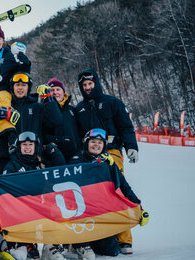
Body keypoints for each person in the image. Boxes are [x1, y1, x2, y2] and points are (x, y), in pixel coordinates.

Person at [74, 69, 139, 253]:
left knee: (116, 191)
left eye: (90, 84)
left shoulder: (112, 102)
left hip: (111, 151)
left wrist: (131, 146)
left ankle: (124, 239)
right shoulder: (80, 108)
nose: (87, 88)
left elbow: (126, 126)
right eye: (84, 85)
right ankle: (99, 236)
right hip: (89, 155)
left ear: (97, 83)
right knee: (93, 195)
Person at [68, 128, 149, 259]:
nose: (96, 145)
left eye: (100, 143)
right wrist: (97, 163)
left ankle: (89, 242)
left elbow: (124, 187)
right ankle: (78, 243)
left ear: (104, 146)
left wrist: (139, 207)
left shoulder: (109, 162)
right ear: (86, 143)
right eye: (93, 141)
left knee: (113, 251)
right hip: (81, 212)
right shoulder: (77, 159)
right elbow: (81, 176)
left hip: (100, 214)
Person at [0, 132, 65, 260]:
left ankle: (50, 246)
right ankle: (7, 241)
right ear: (19, 147)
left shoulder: (40, 164)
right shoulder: (12, 165)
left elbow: (60, 170)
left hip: (38, 208)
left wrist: (54, 151)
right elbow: (4, 192)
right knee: (21, 256)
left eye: (30, 144)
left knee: (57, 207)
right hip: (17, 211)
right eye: (24, 144)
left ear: (35, 147)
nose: (27, 147)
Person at [0, 72, 63, 167]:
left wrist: (48, 99)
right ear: (12, 87)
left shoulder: (37, 107)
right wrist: (1, 112)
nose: (20, 88)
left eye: (24, 85)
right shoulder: (6, 105)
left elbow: (56, 121)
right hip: (8, 160)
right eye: (17, 85)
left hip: (34, 159)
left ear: (28, 88)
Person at [43, 78, 81, 162]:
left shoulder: (73, 110)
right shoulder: (44, 110)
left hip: (75, 155)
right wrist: (59, 140)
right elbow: (44, 135)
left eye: (58, 89)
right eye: (52, 90)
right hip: (56, 156)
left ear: (63, 92)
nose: (55, 92)